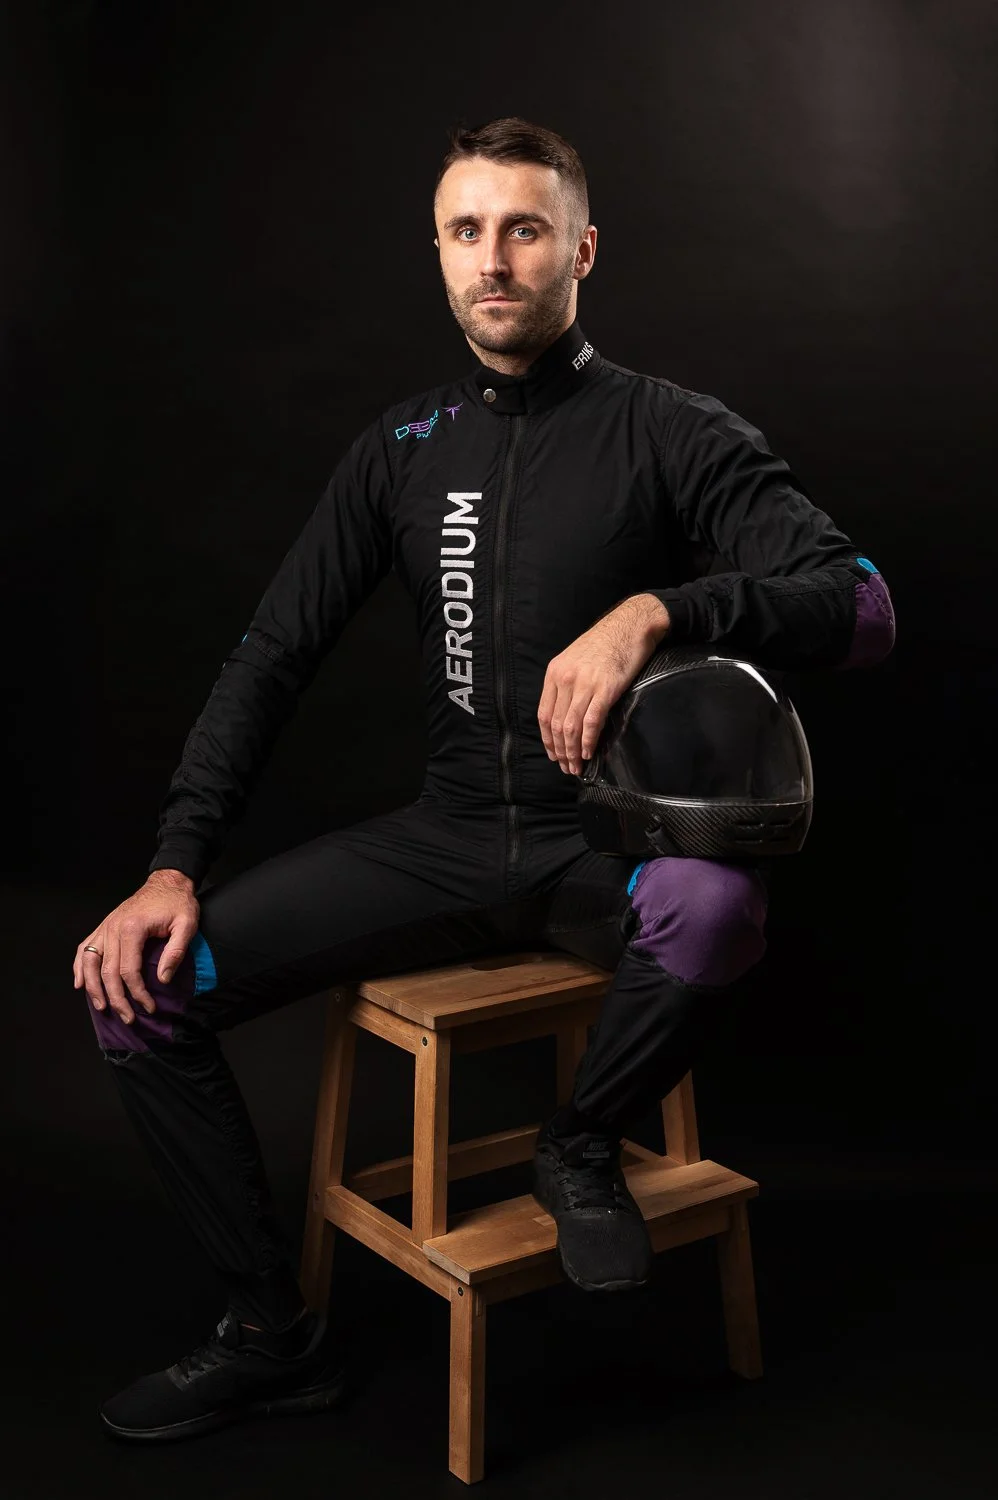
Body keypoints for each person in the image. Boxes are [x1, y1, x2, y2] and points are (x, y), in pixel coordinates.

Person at [73, 116, 896, 1443]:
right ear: (440, 252)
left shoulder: (668, 429)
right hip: (444, 843)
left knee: (717, 907)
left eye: (524, 228)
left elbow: (860, 607)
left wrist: (658, 611)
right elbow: (272, 656)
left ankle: (580, 1142)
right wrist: (174, 863)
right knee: (141, 997)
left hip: (602, 846)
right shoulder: (403, 446)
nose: (494, 260)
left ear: (581, 249)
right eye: (466, 231)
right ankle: (270, 1334)